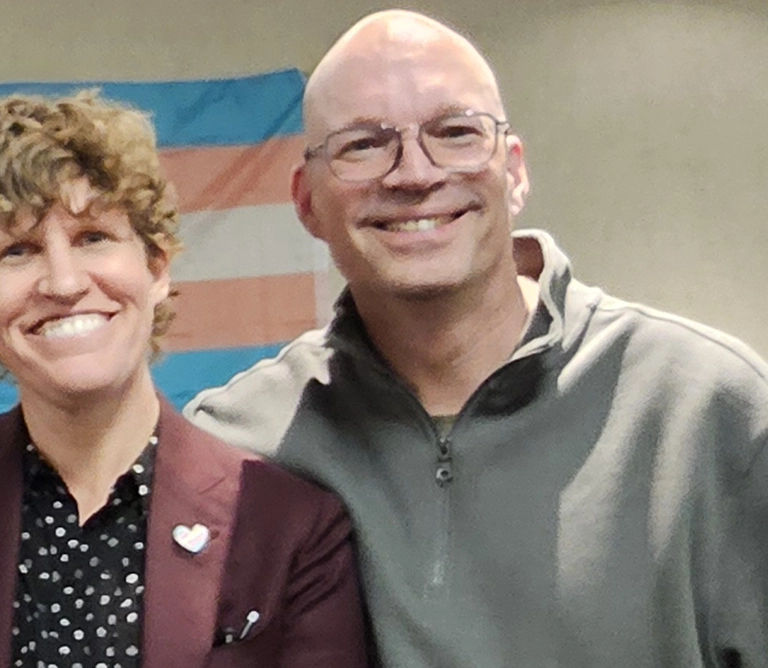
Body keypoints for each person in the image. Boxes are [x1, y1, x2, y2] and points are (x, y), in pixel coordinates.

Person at [184, 9, 768, 668]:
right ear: (306, 200)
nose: (413, 173)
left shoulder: (710, 411)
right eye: (362, 144)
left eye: (456, 132)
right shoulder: (231, 452)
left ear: (514, 171)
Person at [0, 93, 368, 668]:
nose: (64, 283)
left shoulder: (292, 528)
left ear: (157, 268)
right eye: (17, 251)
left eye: (93, 236)